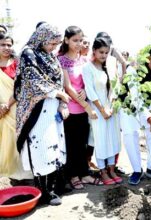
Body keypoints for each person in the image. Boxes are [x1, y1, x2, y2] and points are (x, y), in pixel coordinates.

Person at [14, 23, 70, 205]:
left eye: (56, 44)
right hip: (36, 110)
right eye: (52, 43)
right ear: (42, 38)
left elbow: (60, 81)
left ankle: (54, 187)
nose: (54, 48)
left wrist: (62, 102)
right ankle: (43, 191)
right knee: (40, 148)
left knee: (54, 146)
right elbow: (32, 80)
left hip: (53, 108)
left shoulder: (50, 56)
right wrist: (57, 93)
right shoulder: (28, 53)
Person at [58, 26, 101, 190]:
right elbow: (68, 87)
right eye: (75, 40)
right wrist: (85, 104)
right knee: (71, 144)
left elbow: (88, 82)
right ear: (67, 40)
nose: (78, 44)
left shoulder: (84, 60)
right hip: (71, 108)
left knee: (83, 143)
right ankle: (73, 175)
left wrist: (85, 90)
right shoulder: (61, 60)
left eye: (80, 41)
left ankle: (84, 174)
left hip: (84, 108)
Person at [120, 45, 151, 185]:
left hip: (148, 104)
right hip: (129, 104)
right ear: (149, 59)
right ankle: (136, 170)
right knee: (130, 135)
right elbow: (135, 98)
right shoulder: (133, 69)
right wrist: (149, 118)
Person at [82, 37, 122, 185]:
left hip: (111, 109)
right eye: (101, 52)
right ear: (94, 51)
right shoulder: (88, 68)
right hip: (97, 110)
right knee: (100, 141)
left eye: (106, 52)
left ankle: (112, 169)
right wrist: (102, 109)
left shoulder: (110, 66)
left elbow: (115, 87)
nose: (103, 55)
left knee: (112, 138)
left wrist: (110, 107)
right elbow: (90, 91)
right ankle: (103, 171)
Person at [0, 33, 21, 177]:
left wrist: (6, 105)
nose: (6, 47)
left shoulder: (17, 63)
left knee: (16, 139)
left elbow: (20, 87)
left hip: (15, 107)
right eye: (3, 44)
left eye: (9, 44)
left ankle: (19, 174)